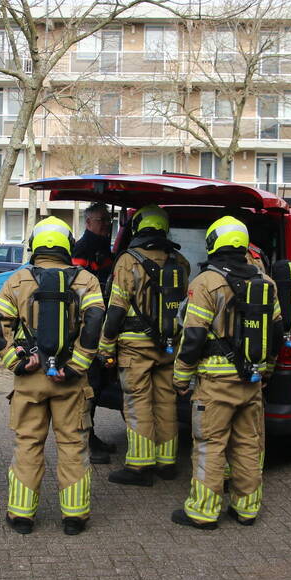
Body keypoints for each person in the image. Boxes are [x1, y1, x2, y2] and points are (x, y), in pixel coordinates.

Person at [0, 216, 105, 535]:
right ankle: (74, 517)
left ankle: (21, 515)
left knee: (28, 444)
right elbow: (95, 321)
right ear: (68, 245)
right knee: (73, 445)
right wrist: (77, 365)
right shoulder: (87, 280)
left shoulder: (17, 279)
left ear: (34, 245)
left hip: (31, 379)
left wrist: (16, 362)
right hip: (71, 380)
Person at [170, 216, 282, 530]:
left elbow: (193, 336)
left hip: (215, 383)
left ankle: (203, 512)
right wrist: (267, 370)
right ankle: (247, 509)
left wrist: (181, 377)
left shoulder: (206, 282)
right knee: (248, 444)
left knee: (210, 445)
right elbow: (276, 332)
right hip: (252, 381)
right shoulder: (266, 282)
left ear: (213, 243)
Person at [98, 205, 189, 486]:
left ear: (138, 227)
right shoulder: (180, 261)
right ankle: (166, 462)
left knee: (138, 404)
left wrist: (106, 346)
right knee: (166, 402)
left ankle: (139, 467)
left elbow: (116, 309)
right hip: (169, 346)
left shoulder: (128, 261)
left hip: (135, 347)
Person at [71, 202, 117, 464]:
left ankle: (91, 435)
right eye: (102, 220)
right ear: (88, 222)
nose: (107, 225)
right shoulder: (82, 249)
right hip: (88, 327)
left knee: (98, 386)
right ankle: (84, 440)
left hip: (103, 325)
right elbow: (79, 287)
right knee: (89, 385)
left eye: (109, 220)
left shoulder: (104, 248)